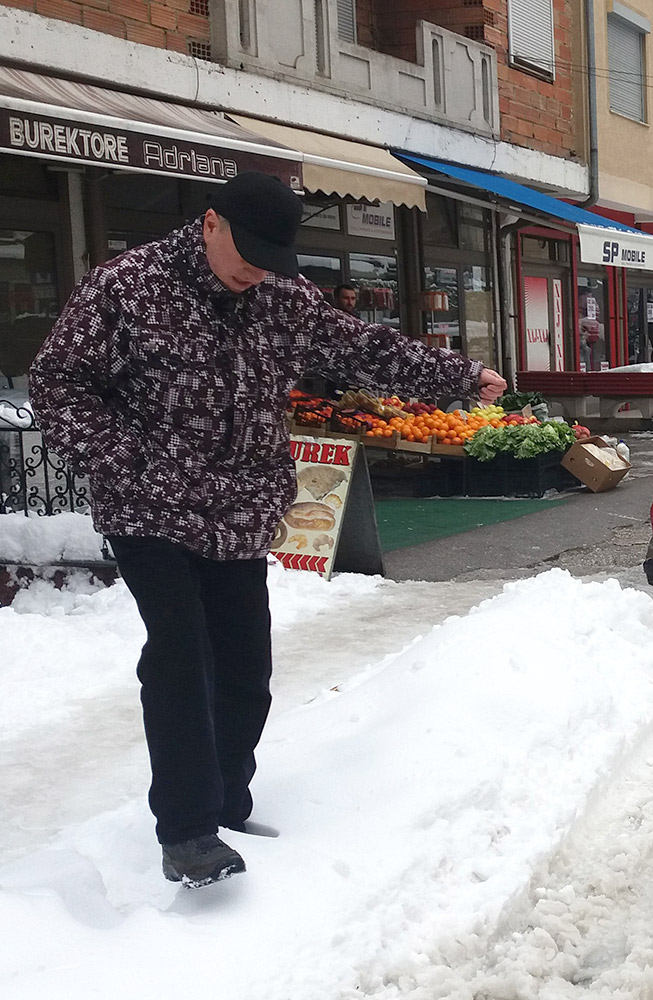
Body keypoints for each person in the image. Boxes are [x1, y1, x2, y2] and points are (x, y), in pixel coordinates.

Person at [29, 171, 507, 888]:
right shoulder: (126, 287)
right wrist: (130, 457)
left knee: (247, 668)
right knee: (182, 657)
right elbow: (56, 384)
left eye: (269, 261)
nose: (256, 273)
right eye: (247, 255)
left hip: (240, 511)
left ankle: (226, 802)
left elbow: (361, 350)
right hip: (149, 509)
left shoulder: (278, 296)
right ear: (212, 223)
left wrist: (462, 378)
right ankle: (187, 830)